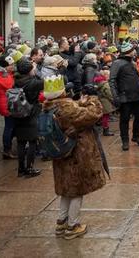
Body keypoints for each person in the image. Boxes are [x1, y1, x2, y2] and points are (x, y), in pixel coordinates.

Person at [43, 75, 107, 240]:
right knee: (77, 190)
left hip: (62, 153)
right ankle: (73, 226)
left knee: (66, 189)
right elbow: (93, 114)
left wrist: (80, 102)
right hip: (76, 154)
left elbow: (74, 110)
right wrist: (92, 99)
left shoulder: (48, 107)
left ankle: (61, 222)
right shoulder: (66, 108)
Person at [109, 42, 139, 150]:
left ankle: (136, 136)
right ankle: (125, 140)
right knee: (124, 119)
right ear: (128, 52)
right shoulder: (117, 63)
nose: (135, 51)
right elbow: (112, 81)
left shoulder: (132, 63)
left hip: (137, 96)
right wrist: (116, 97)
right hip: (125, 97)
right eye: (133, 50)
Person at [13, 57, 43, 178]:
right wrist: (36, 72)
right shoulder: (32, 82)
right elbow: (46, 82)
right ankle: (29, 168)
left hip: (19, 114)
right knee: (32, 141)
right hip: (31, 113)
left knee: (21, 141)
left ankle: (21, 168)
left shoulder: (16, 80)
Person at [0, 50, 21, 159]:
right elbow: (11, 85)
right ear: (5, 67)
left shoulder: (3, 74)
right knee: (9, 127)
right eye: (11, 65)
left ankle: (7, 148)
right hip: (7, 105)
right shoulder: (3, 77)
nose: (13, 66)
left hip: (6, 103)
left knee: (10, 126)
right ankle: (7, 150)